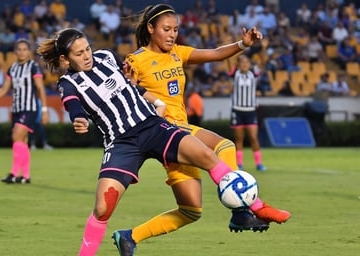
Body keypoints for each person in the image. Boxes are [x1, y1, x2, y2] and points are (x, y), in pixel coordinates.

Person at [37, 27, 255, 256]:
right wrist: (78, 118)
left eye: (87, 49)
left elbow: (129, 86)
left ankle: (246, 210)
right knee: (102, 209)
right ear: (65, 59)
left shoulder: (107, 57)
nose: (87, 55)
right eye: (79, 53)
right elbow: (73, 104)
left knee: (207, 156)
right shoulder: (68, 83)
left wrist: (157, 102)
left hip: (152, 126)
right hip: (121, 142)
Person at [120, 3, 290, 255]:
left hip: (182, 128)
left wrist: (242, 44)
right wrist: (132, 85)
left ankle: (129, 236)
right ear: (150, 28)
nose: (172, 34)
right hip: (164, 132)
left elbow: (215, 54)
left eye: (175, 29)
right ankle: (247, 209)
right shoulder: (136, 60)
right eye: (166, 29)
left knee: (191, 211)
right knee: (225, 145)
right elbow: (126, 95)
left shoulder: (178, 53)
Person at [0, 39, 49, 184]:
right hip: (16, 108)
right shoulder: (12, 69)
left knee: (16, 137)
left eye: (25, 49)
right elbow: (4, 90)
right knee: (22, 142)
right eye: (19, 49)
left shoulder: (33, 67)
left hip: (29, 108)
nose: (22, 52)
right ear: (15, 51)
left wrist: (44, 110)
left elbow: (40, 89)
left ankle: (13, 173)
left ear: (29, 51)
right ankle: (25, 176)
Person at [230, 55, 267, 171]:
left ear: (250, 65)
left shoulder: (253, 75)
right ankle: (239, 164)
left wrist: (263, 49)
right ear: (238, 64)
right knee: (239, 138)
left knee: (253, 137)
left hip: (251, 110)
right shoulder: (235, 74)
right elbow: (228, 62)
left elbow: (263, 63)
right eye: (242, 62)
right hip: (237, 110)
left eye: (247, 62)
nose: (245, 64)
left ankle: (259, 163)